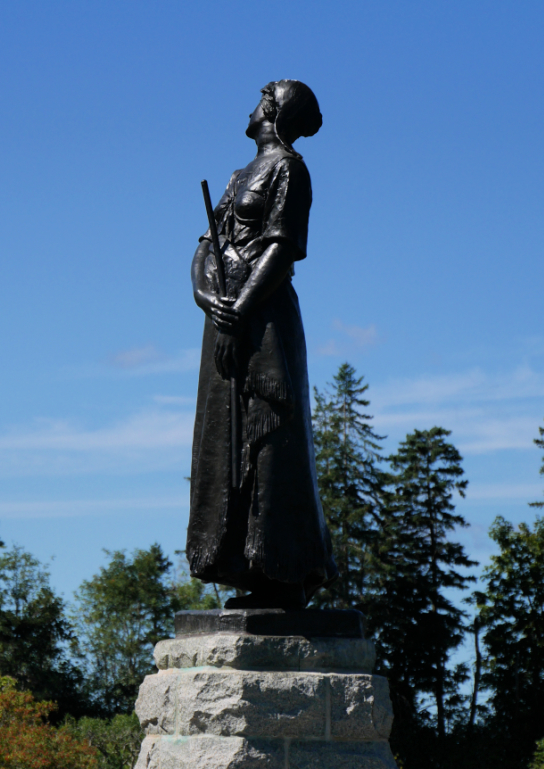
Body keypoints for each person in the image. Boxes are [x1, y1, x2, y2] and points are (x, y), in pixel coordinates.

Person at [187, 80, 338, 610]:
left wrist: (240, 312)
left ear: (273, 111)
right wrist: (211, 301)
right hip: (226, 320)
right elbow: (207, 248)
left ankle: (284, 571)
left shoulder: (289, 169)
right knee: (221, 438)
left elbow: (282, 249)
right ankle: (242, 566)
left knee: (271, 439)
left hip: (263, 319)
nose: (248, 107)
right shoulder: (236, 177)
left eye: (259, 99)